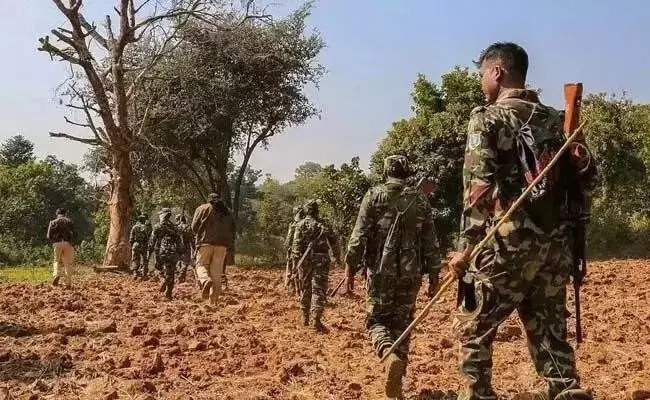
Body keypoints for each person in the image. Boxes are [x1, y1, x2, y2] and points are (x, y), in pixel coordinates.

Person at [447, 42, 596, 400]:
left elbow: (478, 189)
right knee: (548, 327)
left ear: (497, 72)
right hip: (555, 244)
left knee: (474, 325)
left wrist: (466, 247)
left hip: (507, 242)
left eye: (482, 73)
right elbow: (585, 183)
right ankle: (564, 388)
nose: (482, 81)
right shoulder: (557, 121)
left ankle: (478, 394)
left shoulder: (487, 118)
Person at [344, 155, 440, 399]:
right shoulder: (420, 200)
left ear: (386, 171)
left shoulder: (374, 196)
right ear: (407, 173)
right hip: (411, 274)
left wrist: (350, 268)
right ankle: (397, 382)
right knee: (403, 325)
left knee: (376, 321)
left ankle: (388, 354)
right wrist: (434, 276)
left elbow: (359, 236)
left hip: (380, 272)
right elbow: (430, 242)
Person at [291, 200, 340, 332]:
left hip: (305, 260)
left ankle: (305, 317)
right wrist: (337, 258)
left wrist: (295, 264)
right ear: (317, 210)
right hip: (321, 260)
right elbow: (334, 242)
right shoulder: (324, 224)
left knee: (305, 287)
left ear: (306, 211)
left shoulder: (300, 225)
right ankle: (316, 321)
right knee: (318, 289)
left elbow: (296, 247)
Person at [191, 193, 235, 305]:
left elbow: (194, 227)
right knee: (216, 273)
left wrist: (199, 235)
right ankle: (213, 302)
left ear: (208, 200)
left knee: (201, 265)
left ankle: (205, 280)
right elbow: (233, 229)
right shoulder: (227, 211)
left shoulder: (202, 208)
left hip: (205, 243)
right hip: (222, 245)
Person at [148, 208, 183, 300]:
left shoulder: (158, 226)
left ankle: (162, 279)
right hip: (172, 252)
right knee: (170, 273)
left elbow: (152, 241)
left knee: (158, 268)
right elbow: (179, 242)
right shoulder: (175, 227)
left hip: (160, 252)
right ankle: (169, 294)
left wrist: (149, 252)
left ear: (162, 215)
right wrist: (180, 253)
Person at [46, 208, 75, 288]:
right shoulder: (69, 221)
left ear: (57, 214)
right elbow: (75, 233)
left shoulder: (53, 222)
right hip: (67, 243)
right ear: (65, 214)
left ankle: (56, 275)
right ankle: (68, 283)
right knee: (68, 264)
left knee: (56, 261)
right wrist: (72, 242)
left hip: (57, 243)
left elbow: (48, 236)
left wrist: (54, 241)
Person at [284, 206, 305, 294]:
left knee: (294, 270)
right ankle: (297, 289)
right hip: (303, 252)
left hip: (295, 251)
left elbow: (288, 241)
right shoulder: (305, 223)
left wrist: (288, 249)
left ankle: (295, 289)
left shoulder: (294, 225)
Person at [129, 214, 150, 279]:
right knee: (144, 259)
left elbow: (131, 238)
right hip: (143, 244)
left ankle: (135, 273)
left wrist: (132, 245)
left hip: (136, 244)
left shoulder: (134, 227)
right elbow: (147, 237)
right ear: (144, 220)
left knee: (135, 258)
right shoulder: (146, 228)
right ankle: (144, 274)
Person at [176, 214, 195, 283]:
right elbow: (191, 239)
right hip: (186, 247)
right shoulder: (188, 227)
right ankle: (180, 277)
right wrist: (194, 248)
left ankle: (180, 277)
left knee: (179, 262)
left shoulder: (176, 227)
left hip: (177, 247)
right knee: (185, 263)